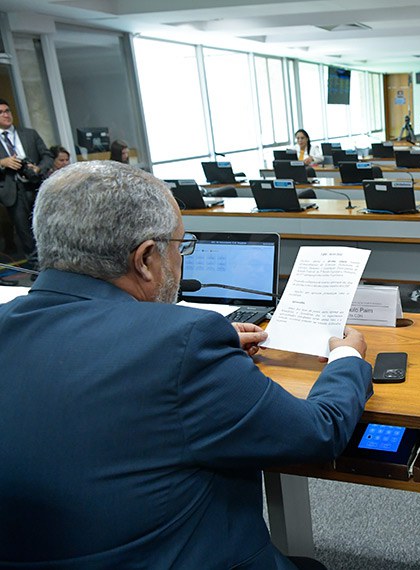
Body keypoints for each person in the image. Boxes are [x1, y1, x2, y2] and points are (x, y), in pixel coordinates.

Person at [0, 160, 373, 569]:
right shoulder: (184, 341)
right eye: (181, 248)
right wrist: (346, 356)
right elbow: (319, 431)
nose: (180, 262)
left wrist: (205, 351)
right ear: (145, 259)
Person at [0, 98, 52, 261]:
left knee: (46, 225)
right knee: (24, 230)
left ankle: (57, 261)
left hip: (35, 185)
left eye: (7, 111)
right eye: (0, 113)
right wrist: (2, 162)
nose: (6, 115)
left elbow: (47, 156)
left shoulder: (29, 134)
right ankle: (36, 265)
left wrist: (38, 168)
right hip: (12, 190)